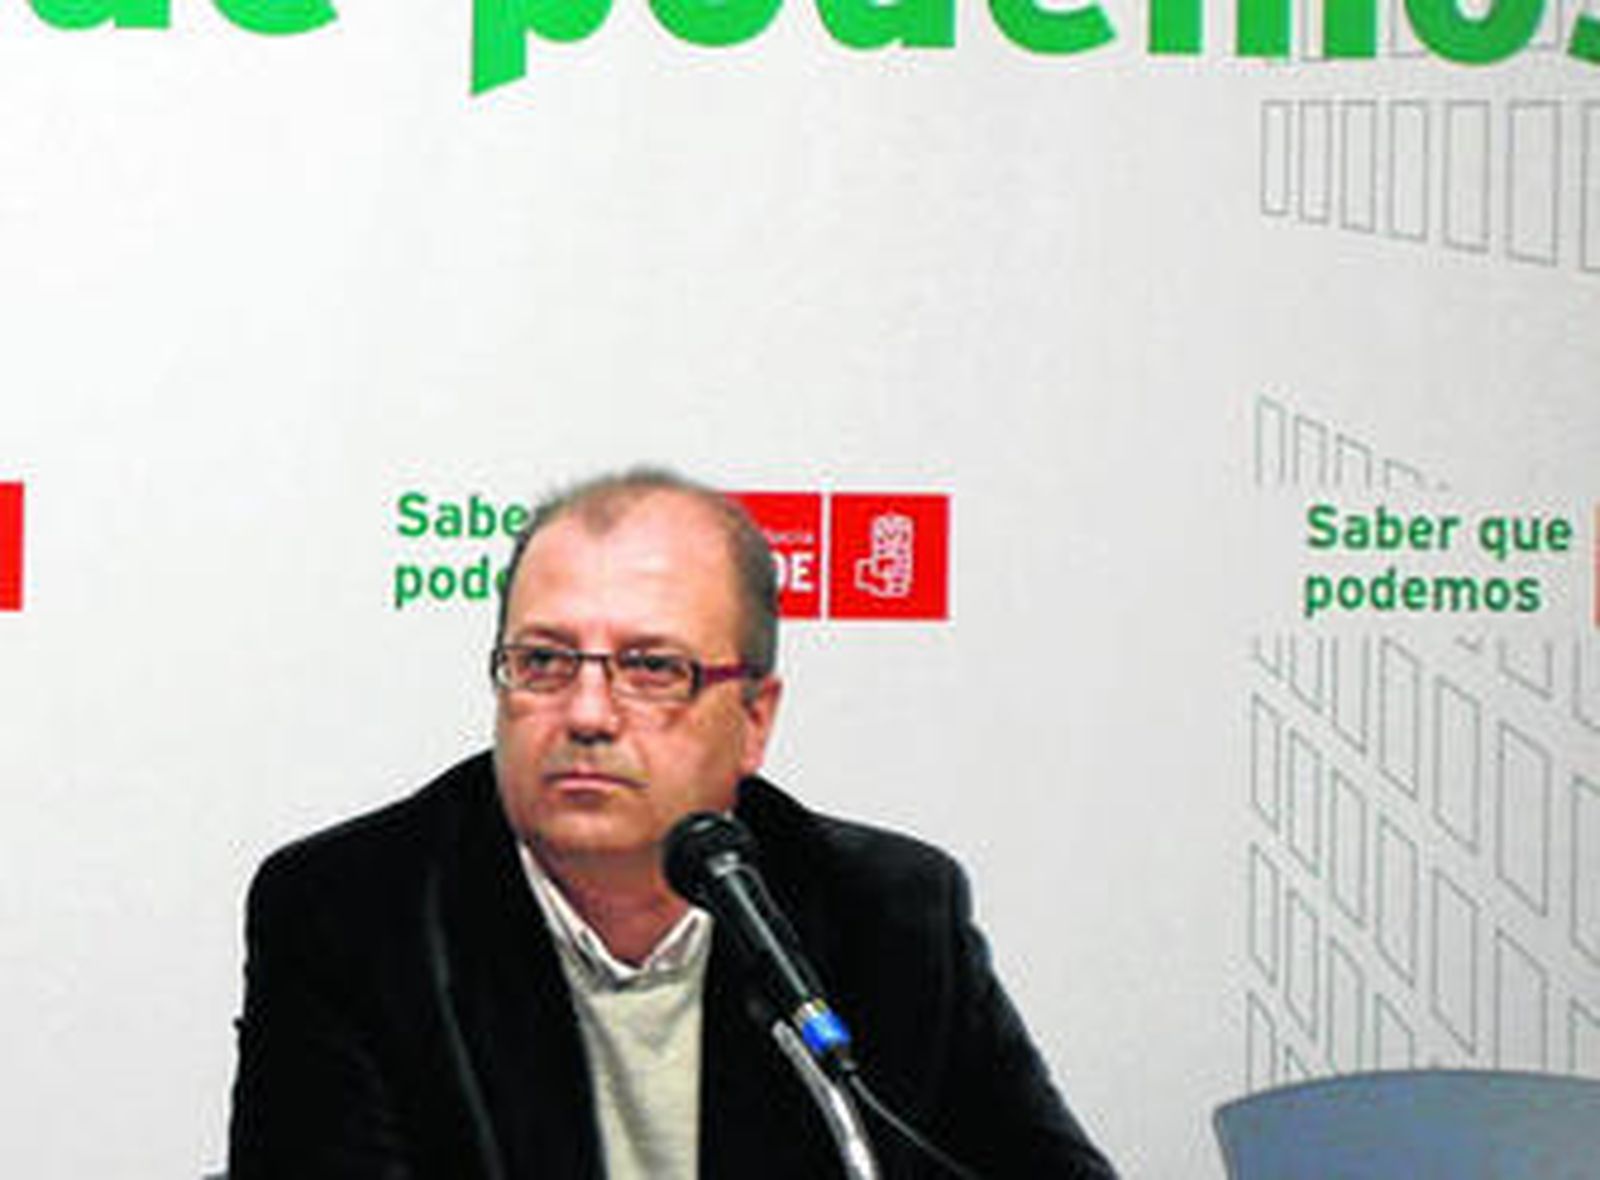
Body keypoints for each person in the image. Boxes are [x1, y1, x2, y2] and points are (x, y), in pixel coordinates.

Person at [228, 468, 1117, 1179]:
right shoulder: (354, 914)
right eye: (543, 661)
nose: (587, 713)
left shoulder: (888, 914)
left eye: (652, 668)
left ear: (754, 719)